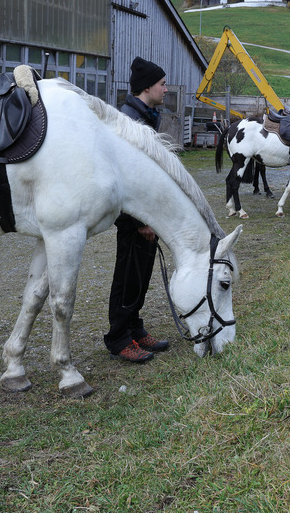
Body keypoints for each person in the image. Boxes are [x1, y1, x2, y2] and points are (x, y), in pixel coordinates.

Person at [105, 57, 170, 363]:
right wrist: (140, 220)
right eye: (162, 83)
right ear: (147, 87)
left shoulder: (146, 115)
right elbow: (126, 177)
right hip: (133, 217)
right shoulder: (129, 120)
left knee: (141, 274)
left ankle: (134, 328)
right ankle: (118, 337)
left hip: (146, 214)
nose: (166, 89)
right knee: (128, 274)